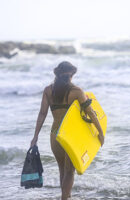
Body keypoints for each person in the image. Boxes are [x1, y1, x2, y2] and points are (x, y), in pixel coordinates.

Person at [30, 61, 104, 200]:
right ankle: (65, 198)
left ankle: (66, 196)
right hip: (69, 136)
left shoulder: (48, 90)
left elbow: (42, 114)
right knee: (70, 171)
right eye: (72, 75)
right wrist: (100, 132)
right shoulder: (76, 91)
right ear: (71, 75)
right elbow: (91, 113)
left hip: (55, 135)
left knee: (62, 170)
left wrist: (35, 137)